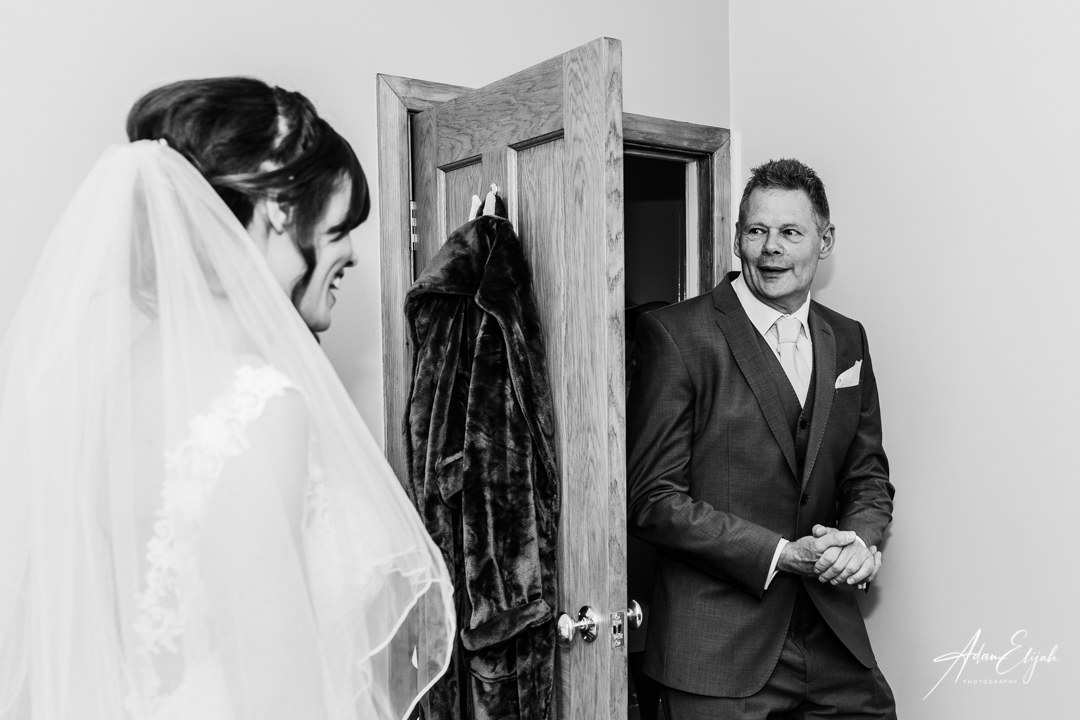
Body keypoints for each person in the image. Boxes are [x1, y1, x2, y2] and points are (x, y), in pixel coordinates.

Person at [0, 78, 454, 720]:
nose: (352, 252)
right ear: (278, 209)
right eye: (339, 227)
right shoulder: (255, 407)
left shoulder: (119, 385)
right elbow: (278, 698)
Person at [626, 158, 896, 719]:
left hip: (833, 641)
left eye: (791, 232)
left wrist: (858, 541)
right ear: (737, 239)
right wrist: (781, 555)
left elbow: (867, 474)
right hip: (717, 654)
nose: (771, 247)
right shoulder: (676, 335)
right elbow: (653, 500)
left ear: (825, 241)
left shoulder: (848, 338)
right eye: (757, 230)